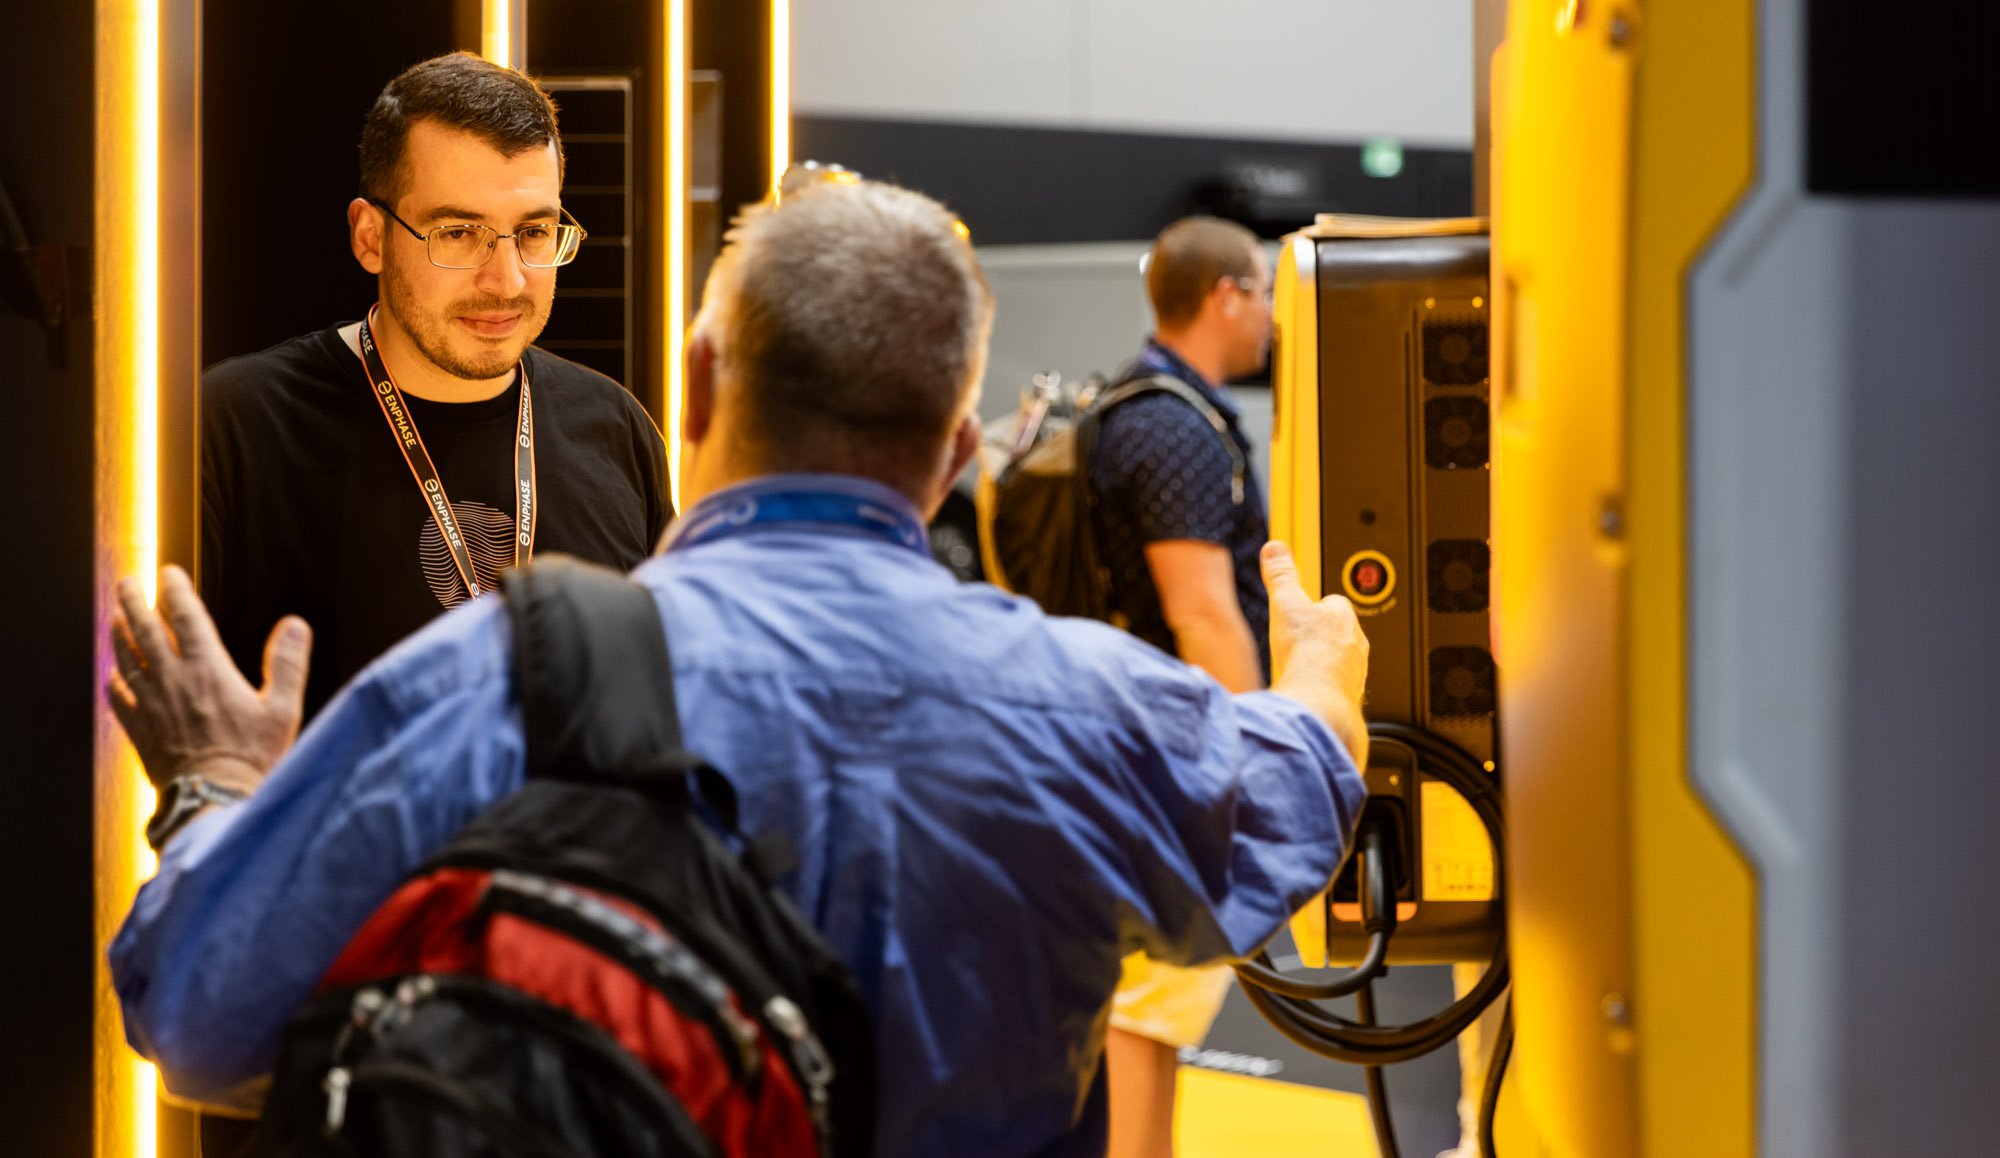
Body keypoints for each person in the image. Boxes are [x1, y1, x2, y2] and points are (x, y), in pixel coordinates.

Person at [106, 179, 1370, 1158]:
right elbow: (1301, 795)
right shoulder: (1091, 704)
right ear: (951, 450)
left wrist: (217, 784)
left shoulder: (497, 675)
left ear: (701, 385)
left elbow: (203, 1015)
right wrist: (1321, 671)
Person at [202, 51, 673, 720]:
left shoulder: (615, 426)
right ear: (371, 238)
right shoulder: (240, 426)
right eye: (459, 233)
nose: (506, 279)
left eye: (534, 233)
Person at [1087, 215, 1276, 1157]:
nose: (1274, 317)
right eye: (1267, 292)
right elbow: (1201, 610)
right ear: (1226, 294)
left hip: (1144, 741)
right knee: (1142, 1001)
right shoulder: (1172, 424)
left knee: (1154, 998)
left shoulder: (1157, 407)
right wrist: (1259, 755)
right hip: (1167, 747)